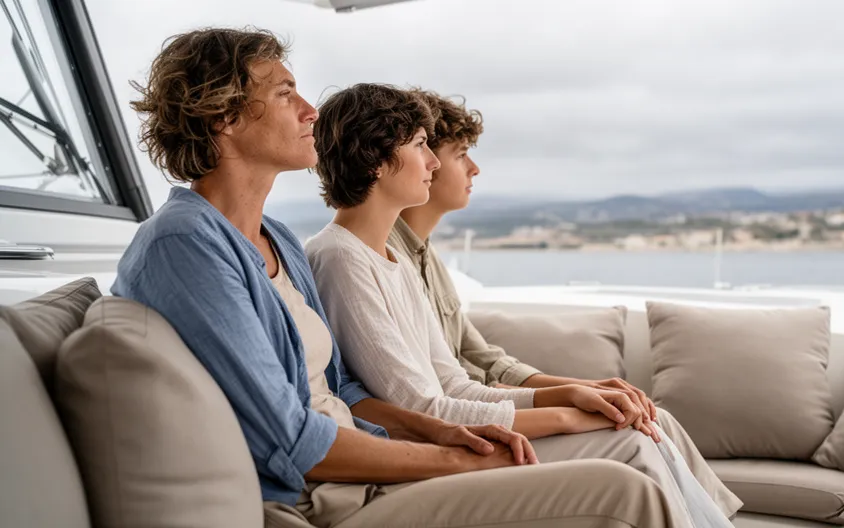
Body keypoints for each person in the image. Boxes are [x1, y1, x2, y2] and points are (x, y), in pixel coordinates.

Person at [113, 28, 687, 528]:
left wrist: (441, 433)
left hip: (365, 467)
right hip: (322, 500)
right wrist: (454, 459)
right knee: (625, 485)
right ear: (223, 116)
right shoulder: (186, 245)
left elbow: (343, 390)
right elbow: (292, 442)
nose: (310, 109)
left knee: (630, 443)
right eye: (286, 93)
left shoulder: (279, 239)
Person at [305, 83, 732, 528]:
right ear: (376, 159)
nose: (432, 161)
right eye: (418, 146)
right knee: (635, 443)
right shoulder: (339, 258)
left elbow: (455, 383)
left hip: (461, 435)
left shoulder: (395, 261)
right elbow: (424, 409)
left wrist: (569, 397)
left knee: (637, 435)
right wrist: (566, 416)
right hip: (432, 459)